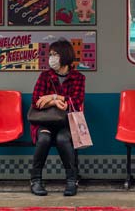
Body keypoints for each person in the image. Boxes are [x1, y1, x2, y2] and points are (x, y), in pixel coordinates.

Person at [29, 40, 85, 196]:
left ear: (65, 56)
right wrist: (54, 99)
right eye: (50, 54)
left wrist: (49, 98)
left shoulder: (78, 77)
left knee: (62, 139)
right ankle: (35, 180)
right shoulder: (45, 76)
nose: (51, 58)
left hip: (66, 123)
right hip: (44, 122)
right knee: (44, 138)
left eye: (55, 54)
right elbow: (36, 101)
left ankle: (71, 180)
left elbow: (76, 101)